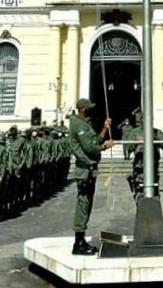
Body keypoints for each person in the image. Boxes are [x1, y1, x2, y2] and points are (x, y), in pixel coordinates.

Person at [68, 98, 113, 256]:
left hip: (89, 169)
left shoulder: (85, 123)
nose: (91, 110)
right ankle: (78, 243)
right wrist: (104, 147)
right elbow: (90, 148)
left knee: (86, 204)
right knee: (83, 204)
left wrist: (105, 129)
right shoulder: (79, 125)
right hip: (85, 170)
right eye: (89, 108)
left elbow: (94, 140)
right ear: (83, 109)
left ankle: (81, 240)